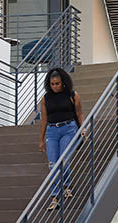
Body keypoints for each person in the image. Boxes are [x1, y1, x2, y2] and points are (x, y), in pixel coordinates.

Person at [37, 68, 86, 211]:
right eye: (52, 84)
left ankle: (63, 189)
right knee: (52, 164)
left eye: (57, 83)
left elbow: (79, 113)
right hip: (52, 131)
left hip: (69, 129)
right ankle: (58, 193)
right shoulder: (46, 98)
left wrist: (82, 128)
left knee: (64, 161)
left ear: (63, 82)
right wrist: (41, 140)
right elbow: (43, 119)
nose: (55, 86)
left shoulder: (72, 95)